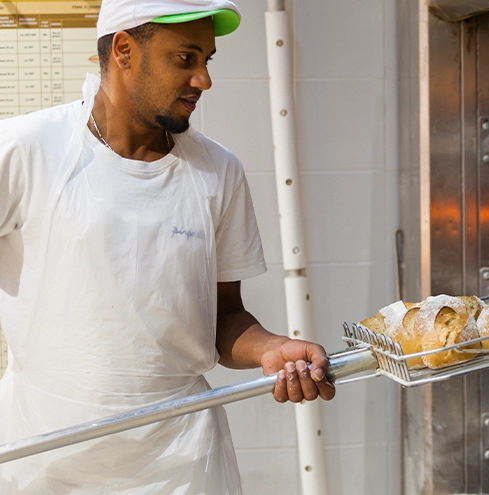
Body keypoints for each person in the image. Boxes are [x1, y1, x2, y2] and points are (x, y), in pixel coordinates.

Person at [0, 0, 334, 492]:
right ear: (123, 50)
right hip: (44, 456)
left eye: (208, 60)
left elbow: (224, 317)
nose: (203, 80)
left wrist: (272, 348)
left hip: (180, 464)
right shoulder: (27, 149)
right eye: (186, 58)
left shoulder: (218, 171)